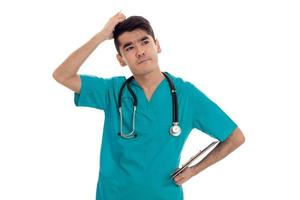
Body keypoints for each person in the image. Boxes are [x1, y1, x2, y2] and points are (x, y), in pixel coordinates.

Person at [52, 11, 245, 200]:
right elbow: (62, 75)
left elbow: (235, 137)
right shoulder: (112, 91)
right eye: (129, 48)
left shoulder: (186, 95)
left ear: (157, 45)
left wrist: (194, 170)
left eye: (145, 42)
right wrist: (101, 36)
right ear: (121, 59)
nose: (140, 51)